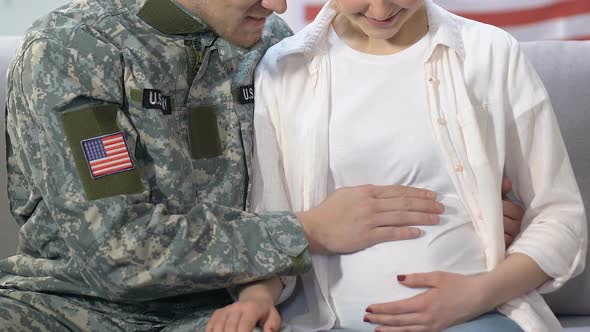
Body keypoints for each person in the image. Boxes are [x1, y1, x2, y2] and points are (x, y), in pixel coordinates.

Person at [0, 0, 524, 331]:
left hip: (234, 312)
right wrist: (304, 231)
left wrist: (467, 206)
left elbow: (346, 174)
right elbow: (116, 253)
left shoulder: (276, 51)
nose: (277, 6)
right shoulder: (75, 50)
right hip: (63, 310)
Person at [207, 0, 588, 331]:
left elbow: (560, 216)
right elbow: (272, 222)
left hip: (475, 319)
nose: (381, 10)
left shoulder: (489, 53)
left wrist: (474, 295)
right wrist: (255, 299)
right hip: (327, 323)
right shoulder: (283, 68)